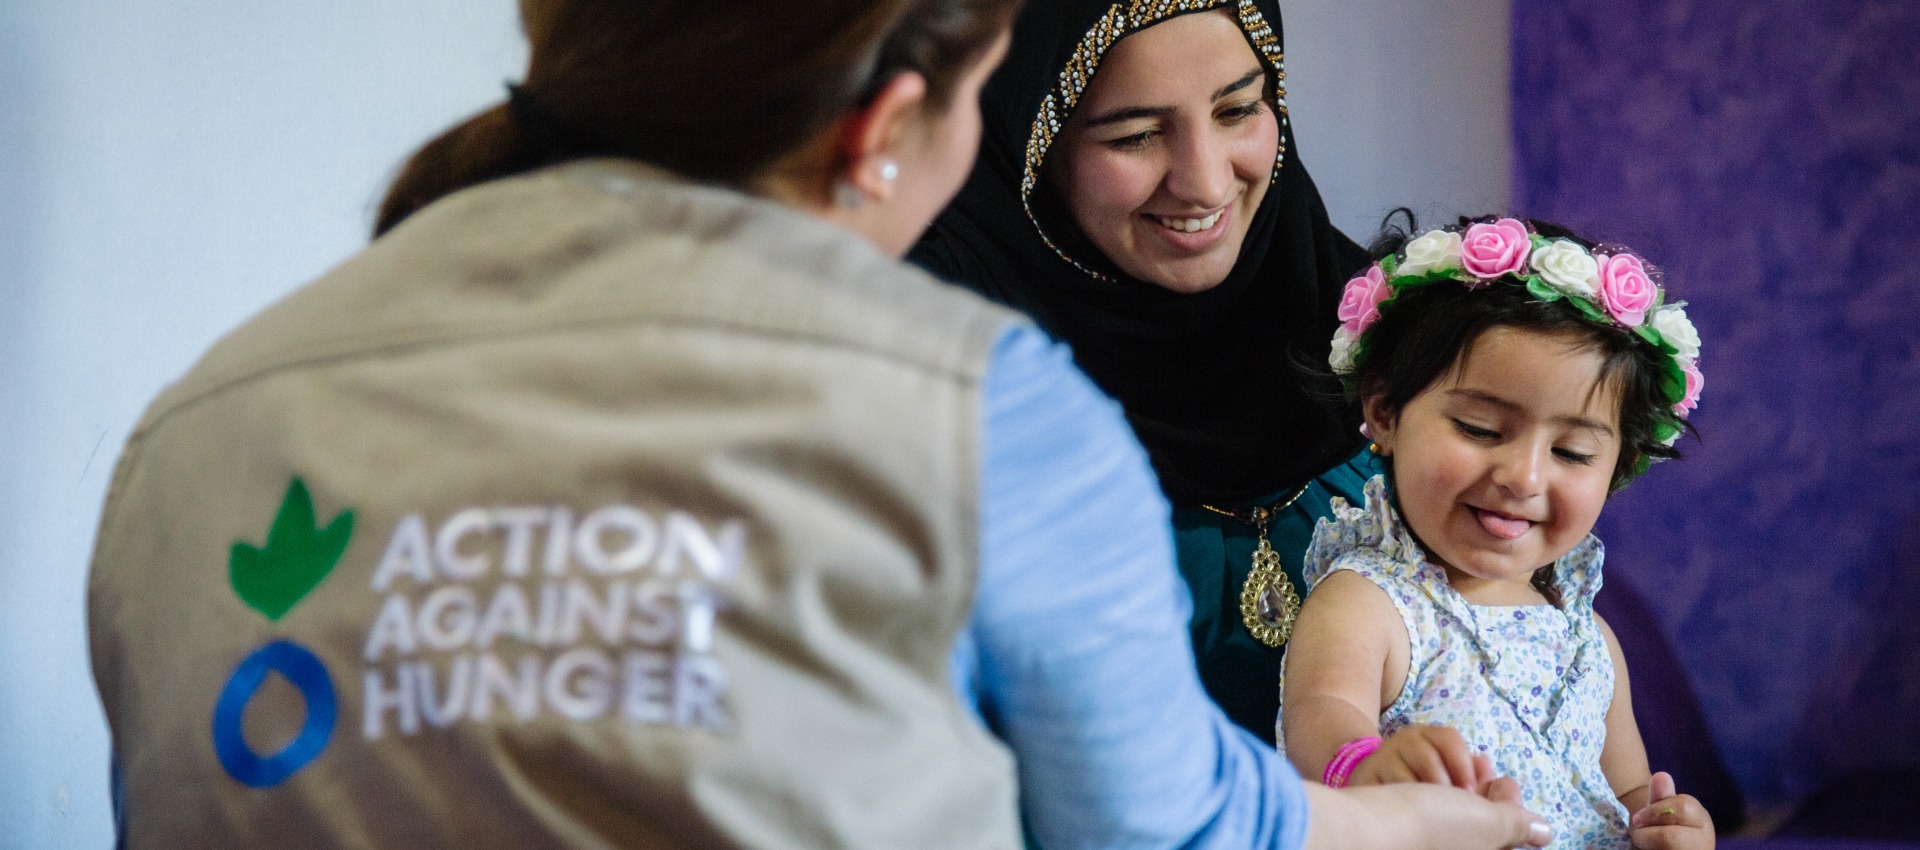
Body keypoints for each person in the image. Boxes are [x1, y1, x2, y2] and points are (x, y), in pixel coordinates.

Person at [89, 1, 1552, 848]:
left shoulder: (201, 421)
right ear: (886, 125)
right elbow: (1167, 829)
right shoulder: (975, 403)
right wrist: (1428, 823)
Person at [911, 0, 1376, 743]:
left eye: (1239, 110)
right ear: (1029, 138)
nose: (1203, 182)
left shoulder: (1392, 333)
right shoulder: (935, 371)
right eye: (1136, 135)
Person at [1277, 218, 1716, 849]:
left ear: (1618, 465)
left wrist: (1666, 829)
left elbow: (1623, 797)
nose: (1523, 477)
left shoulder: (1588, 635)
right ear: (1383, 413)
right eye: (1481, 429)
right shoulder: (1370, 602)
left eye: (1571, 452)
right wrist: (1364, 770)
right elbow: (1320, 719)